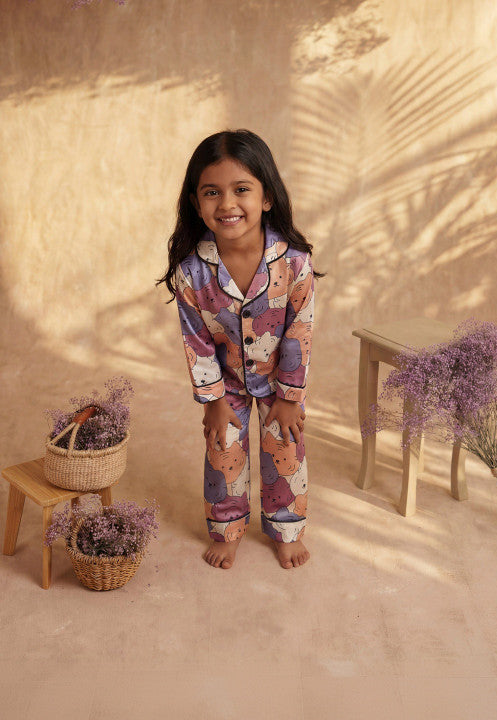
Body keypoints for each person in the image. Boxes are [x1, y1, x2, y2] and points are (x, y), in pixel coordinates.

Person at [157, 129, 319, 570]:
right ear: (197, 204)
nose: (227, 203)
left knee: (286, 448)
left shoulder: (295, 264)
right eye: (212, 192)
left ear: (267, 198)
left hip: (278, 383)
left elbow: (299, 332)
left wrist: (289, 397)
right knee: (222, 451)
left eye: (241, 189)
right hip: (224, 383)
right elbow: (196, 341)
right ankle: (227, 530)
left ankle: (286, 529)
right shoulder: (192, 272)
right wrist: (212, 402)